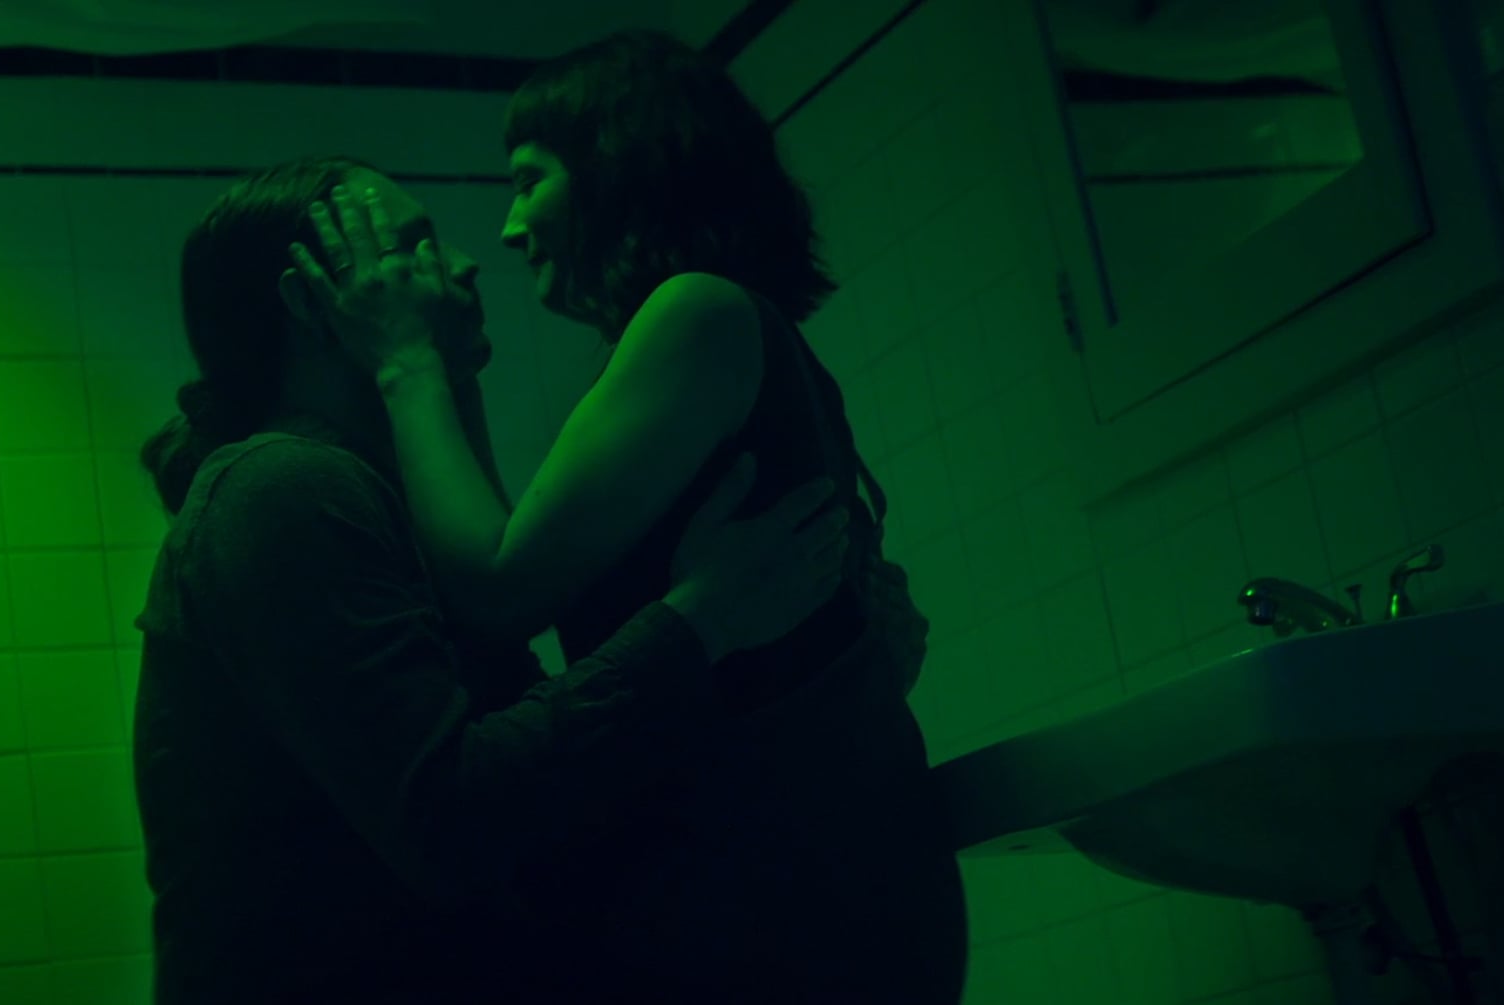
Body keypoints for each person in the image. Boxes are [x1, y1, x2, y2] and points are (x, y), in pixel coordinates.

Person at [280, 28, 968, 1002]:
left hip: (790, 903)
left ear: (617, 169)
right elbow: (506, 557)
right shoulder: (732, 330)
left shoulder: (696, 312)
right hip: (822, 886)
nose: (509, 228)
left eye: (529, 181)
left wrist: (407, 362)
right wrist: (448, 369)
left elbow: (497, 589)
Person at [131, 155, 863, 1001]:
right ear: (310, 302)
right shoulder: (282, 488)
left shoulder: (371, 504)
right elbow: (457, 820)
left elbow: (535, 768)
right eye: (415, 248)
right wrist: (702, 619)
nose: (469, 262)